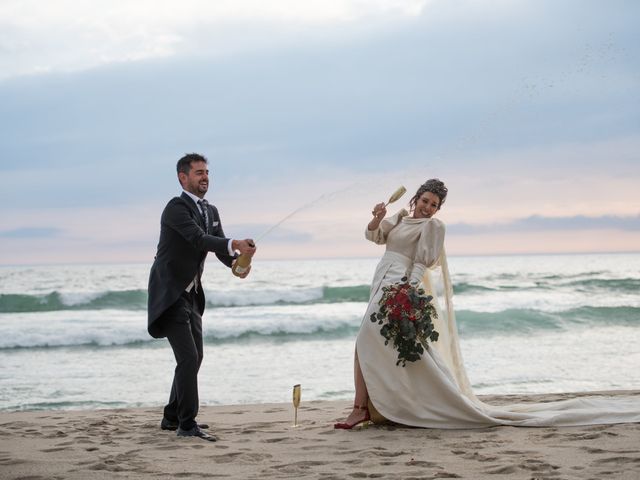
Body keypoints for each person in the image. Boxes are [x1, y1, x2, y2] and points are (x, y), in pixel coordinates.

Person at [335, 179, 640, 429]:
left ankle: (362, 408)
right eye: (425, 200)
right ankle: (375, 404)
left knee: (365, 339)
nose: (428, 207)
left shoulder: (433, 227)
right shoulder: (400, 215)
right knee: (373, 341)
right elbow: (375, 237)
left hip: (398, 282)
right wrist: (377, 216)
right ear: (415, 198)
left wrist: (406, 289)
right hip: (380, 278)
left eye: (434, 204)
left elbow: (422, 262)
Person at [148, 153, 256, 442]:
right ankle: (186, 424)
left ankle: (171, 417)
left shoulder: (211, 210)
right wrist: (233, 242)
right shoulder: (175, 208)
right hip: (170, 293)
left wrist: (237, 262)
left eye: (206, 172)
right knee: (188, 357)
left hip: (192, 295)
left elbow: (219, 249)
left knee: (195, 357)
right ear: (183, 178)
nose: (204, 177)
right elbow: (197, 239)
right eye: (198, 173)